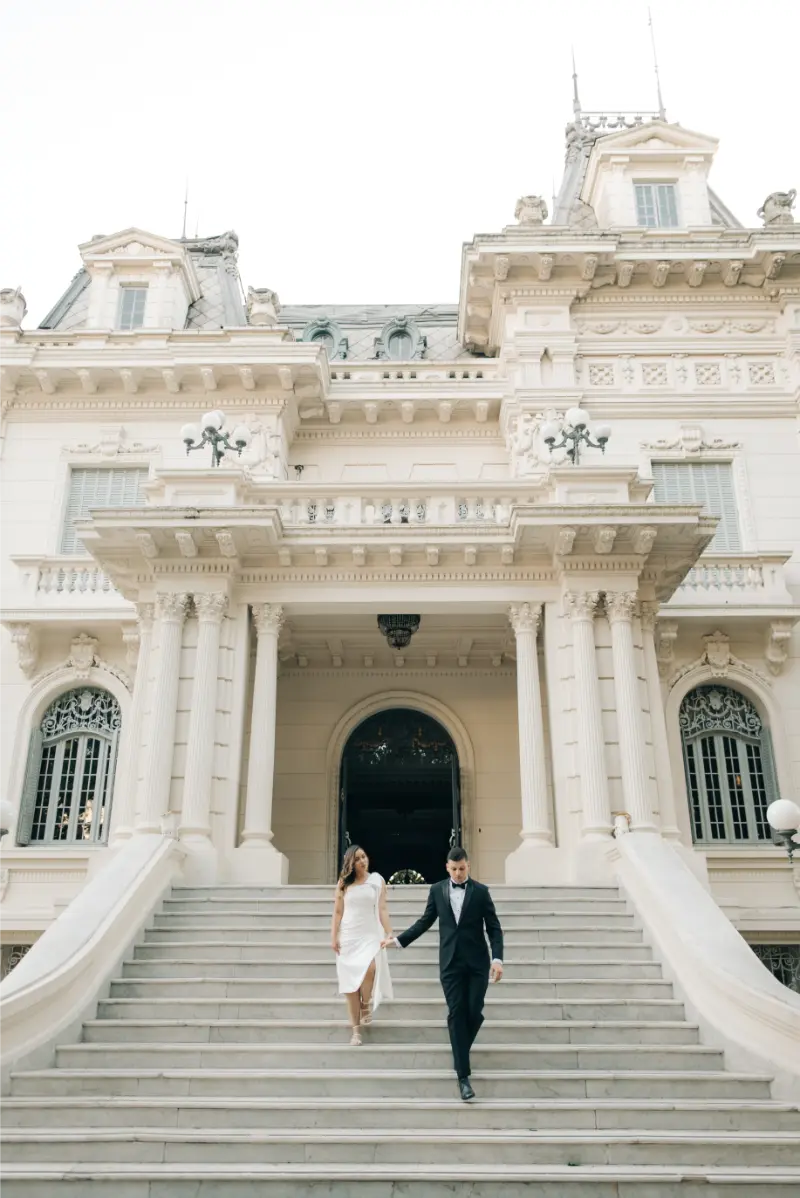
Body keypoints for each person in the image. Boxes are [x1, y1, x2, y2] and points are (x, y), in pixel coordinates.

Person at [382, 846, 503, 1101]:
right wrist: (399, 940)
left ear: (468, 866)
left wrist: (497, 959)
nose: (458, 874)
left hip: (478, 963)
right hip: (450, 964)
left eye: (462, 869)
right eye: (454, 869)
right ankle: (463, 1077)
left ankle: (459, 1050)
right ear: (447, 868)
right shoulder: (437, 890)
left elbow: (494, 928)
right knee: (456, 1012)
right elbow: (425, 921)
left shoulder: (481, 892)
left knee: (474, 1010)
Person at [331, 845, 394, 1046]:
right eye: (358, 858)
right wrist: (334, 936)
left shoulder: (377, 880)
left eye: (364, 857)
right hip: (349, 936)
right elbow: (338, 912)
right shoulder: (343, 884)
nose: (362, 861)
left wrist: (389, 931)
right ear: (350, 862)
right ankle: (356, 1031)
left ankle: (366, 1002)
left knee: (370, 968)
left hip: (369, 934)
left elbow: (382, 908)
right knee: (350, 986)